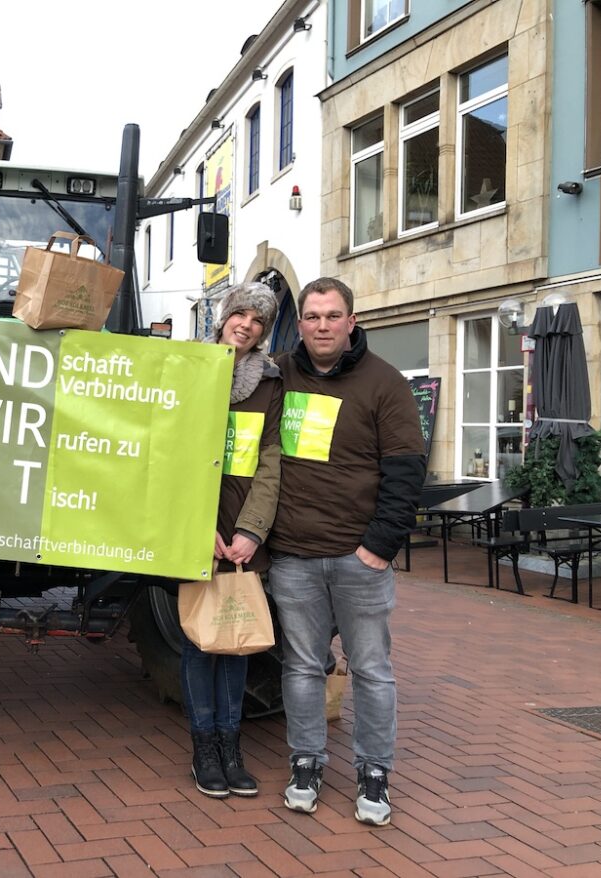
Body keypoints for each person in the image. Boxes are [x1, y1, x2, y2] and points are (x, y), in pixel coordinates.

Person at [268, 277, 425, 826]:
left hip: (360, 559)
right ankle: (306, 761)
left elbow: (406, 474)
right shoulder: (278, 375)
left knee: (373, 671)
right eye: (312, 317)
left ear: (351, 321)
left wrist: (378, 548)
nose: (322, 326)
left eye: (333, 316)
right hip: (293, 556)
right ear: (301, 323)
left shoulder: (385, 383)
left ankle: (374, 771)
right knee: (303, 668)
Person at [182, 282, 282, 799]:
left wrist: (251, 530)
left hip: (244, 534)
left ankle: (231, 745)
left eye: (257, 318)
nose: (246, 323)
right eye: (239, 313)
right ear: (223, 318)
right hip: (195, 528)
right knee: (200, 643)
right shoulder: (189, 368)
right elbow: (171, 449)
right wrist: (199, 524)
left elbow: (270, 462)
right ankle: (204, 747)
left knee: (237, 643)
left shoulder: (270, 383)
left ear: (265, 331)